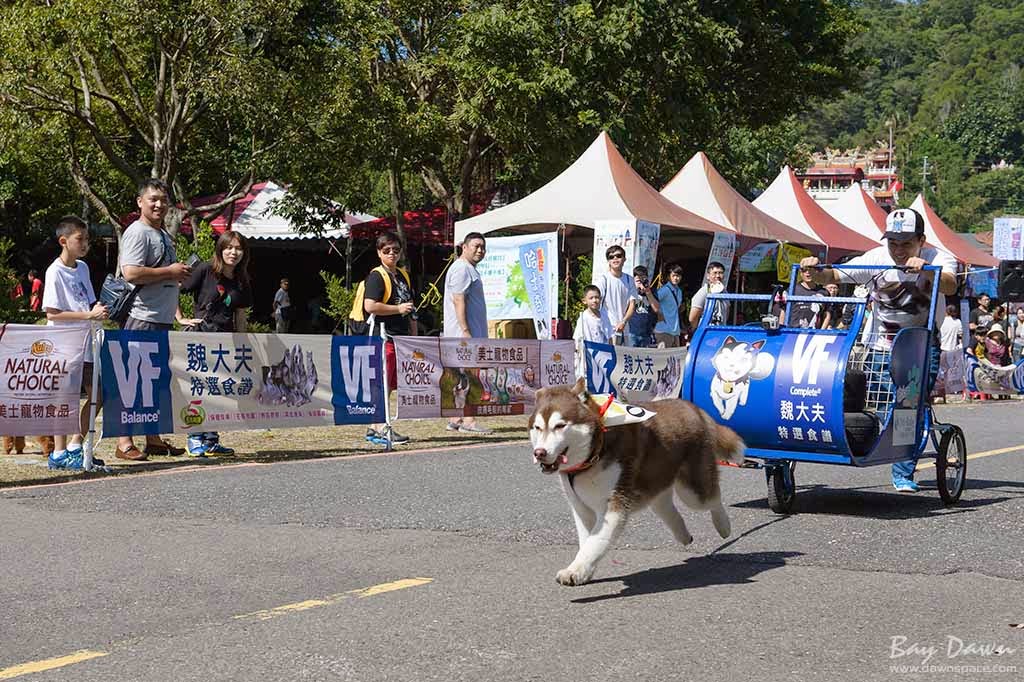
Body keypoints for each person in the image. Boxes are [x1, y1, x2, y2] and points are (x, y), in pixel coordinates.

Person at [801, 207, 957, 493]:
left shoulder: (938, 258)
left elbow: (951, 283)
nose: (898, 250)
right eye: (893, 242)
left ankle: (903, 470)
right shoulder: (876, 258)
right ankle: (883, 447)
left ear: (921, 240)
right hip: (879, 345)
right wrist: (815, 270)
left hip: (919, 347)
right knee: (887, 404)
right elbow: (835, 275)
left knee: (908, 404)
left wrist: (927, 271)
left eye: (905, 243)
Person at [115, 178, 190, 461]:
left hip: (160, 318)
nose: (159, 204)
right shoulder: (138, 232)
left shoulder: (161, 234)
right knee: (133, 380)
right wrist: (170, 272)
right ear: (140, 202)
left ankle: (153, 439)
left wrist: (176, 276)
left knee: (154, 382)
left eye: (163, 199)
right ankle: (124, 443)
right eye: (153, 199)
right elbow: (131, 272)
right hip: (141, 317)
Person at [177, 230, 253, 457]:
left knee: (218, 389)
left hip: (225, 340)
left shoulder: (242, 280)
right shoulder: (205, 269)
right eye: (229, 247)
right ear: (220, 249)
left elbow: (240, 314)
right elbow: (173, 289)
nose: (233, 252)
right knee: (198, 389)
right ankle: (194, 437)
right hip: (200, 337)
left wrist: (242, 343)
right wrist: (179, 317)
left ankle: (211, 440)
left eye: (238, 248)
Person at [42, 216, 110, 470]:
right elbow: (52, 313)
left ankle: (75, 444)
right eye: (79, 239)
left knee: (98, 394)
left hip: (87, 340)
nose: (85, 244)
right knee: (64, 397)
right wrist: (88, 315)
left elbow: (89, 301)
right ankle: (59, 453)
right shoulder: (54, 271)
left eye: (87, 240)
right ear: (64, 241)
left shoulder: (82, 267)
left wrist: (100, 309)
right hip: (63, 343)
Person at [363, 232, 417, 445]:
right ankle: (379, 426)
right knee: (381, 383)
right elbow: (370, 305)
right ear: (379, 253)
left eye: (396, 249)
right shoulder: (377, 276)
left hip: (400, 338)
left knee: (389, 385)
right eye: (387, 250)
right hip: (383, 336)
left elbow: (411, 307)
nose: (392, 254)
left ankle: (376, 426)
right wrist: (397, 308)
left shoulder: (403, 275)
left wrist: (414, 336)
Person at [443, 232, 492, 434]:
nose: (480, 250)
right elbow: (458, 300)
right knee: (471, 375)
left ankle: (456, 418)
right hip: (464, 335)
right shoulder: (462, 268)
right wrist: (465, 330)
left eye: (483, 247)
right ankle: (469, 421)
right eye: (476, 246)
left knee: (460, 376)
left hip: (467, 333)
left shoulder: (468, 269)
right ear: (464, 247)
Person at [593, 245, 635, 345]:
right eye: (611, 257)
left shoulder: (630, 280)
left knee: (623, 359)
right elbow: (595, 303)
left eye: (618, 256)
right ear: (608, 261)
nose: (615, 259)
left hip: (624, 329)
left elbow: (632, 304)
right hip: (607, 329)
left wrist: (623, 322)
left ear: (624, 259)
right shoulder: (603, 279)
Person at [573, 285, 613, 378]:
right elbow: (577, 340)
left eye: (597, 297)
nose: (594, 300)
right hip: (589, 356)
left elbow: (610, 336)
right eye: (591, 298)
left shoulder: (604, 316)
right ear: (584, 300)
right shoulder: (583, 318)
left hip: (604, 355)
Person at [688, 261, 729, 330]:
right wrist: (698, 331)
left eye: (721, 273)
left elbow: (726, 313)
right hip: (706, 333)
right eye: (715, 273)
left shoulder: (725, 292)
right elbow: (692, 318)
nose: (718, 276)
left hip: (721, 332)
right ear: (708, 276)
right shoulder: (704, 291)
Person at [935, 304, 963, 403]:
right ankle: (952, 390)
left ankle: (940, 391)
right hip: (953, 349)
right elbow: (961, 334)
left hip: (941, 348)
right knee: (951, 371)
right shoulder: (958, 322)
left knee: (940, 372)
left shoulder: (941, 321)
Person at [626, 265, 659, 348]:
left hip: (646, 333)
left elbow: (656, 309)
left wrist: (648, 292)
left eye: (643, 280)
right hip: (632, 332)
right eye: (638, 281)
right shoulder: (630, 292)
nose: (641, 283)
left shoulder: (652, 292)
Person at [654, 264, 684, 347]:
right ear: (668, 276)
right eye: (673, 275)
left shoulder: (679, 291)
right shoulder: (665, 290)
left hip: (675, 331)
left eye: (678, 276)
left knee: (674, 359)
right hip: (663, 330)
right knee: (662, 358)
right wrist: (658, 315)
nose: (676, 278)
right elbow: (652, 302)